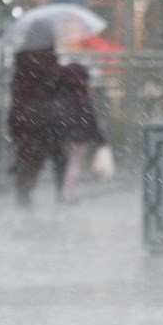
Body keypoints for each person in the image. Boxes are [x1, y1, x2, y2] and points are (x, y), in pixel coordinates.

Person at [8, 21, 66, 207]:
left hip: (22, 112)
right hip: (42, 114)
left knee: (28, 153)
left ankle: (23, 187)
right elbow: (53, 82)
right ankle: (61, 193)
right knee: (55, 154)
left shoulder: (22, 58)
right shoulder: (46, 57)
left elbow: (18, 87)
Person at [57, 63, 105, 203]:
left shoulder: (62, 95)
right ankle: (67, 195)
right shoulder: (83, 97)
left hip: (65, 136)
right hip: (80, 137)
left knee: (67, 165)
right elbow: (90, 118)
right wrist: (98, 137)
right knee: (75, 165)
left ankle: (63, 193)